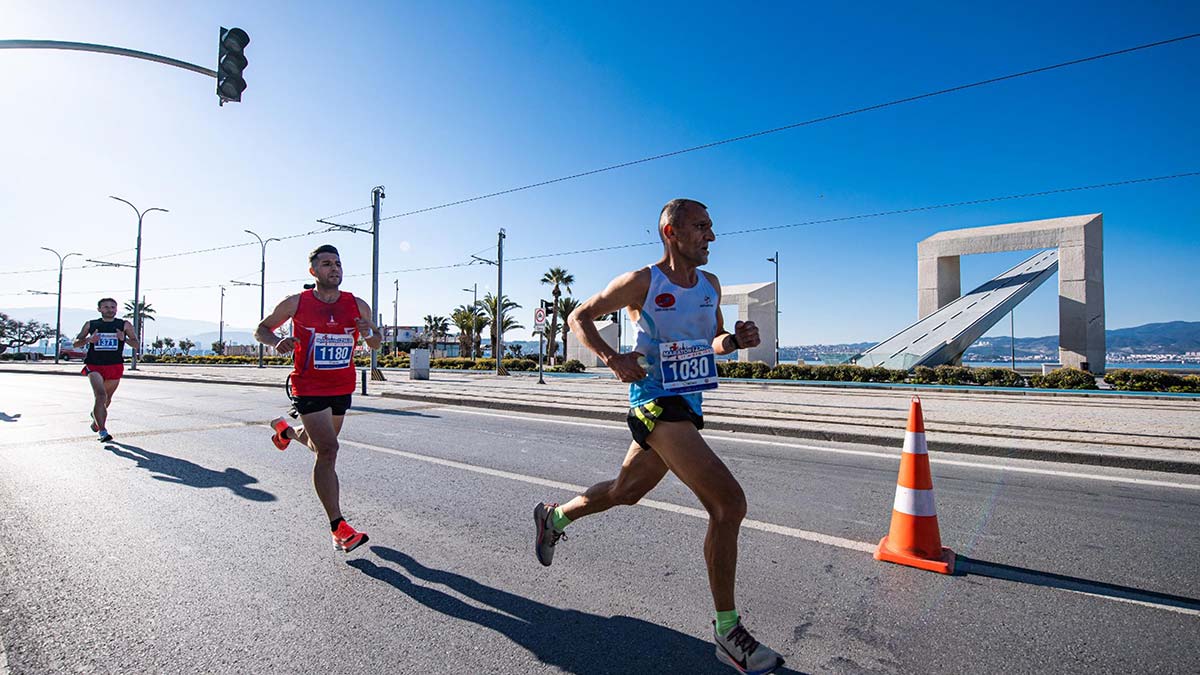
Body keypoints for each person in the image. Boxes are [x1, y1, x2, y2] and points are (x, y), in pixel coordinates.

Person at [533, 199, 785, 674]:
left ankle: (553, 518)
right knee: (728, 504)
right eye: (701, 227)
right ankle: (728, 632)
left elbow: (708, 342)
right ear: (671, 232)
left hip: (688, 406)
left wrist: (734, 341)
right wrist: (612, 359)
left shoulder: (710, 286)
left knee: (624, 492)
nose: (710, 236)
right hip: (653, 404)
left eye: (711, 227)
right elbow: (579, 317)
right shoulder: (643, 282)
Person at [255, 244, 382, 553]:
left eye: (337, 263)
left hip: (342, 386)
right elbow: (261, 329)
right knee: (328, 450)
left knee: (317, 445)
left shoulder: (357, 304)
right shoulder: (296, 302)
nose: (334, 268)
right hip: (308, 387)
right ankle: (339, 527)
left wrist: (368, 334)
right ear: (313, 271)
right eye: (326, 263)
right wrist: (276, 341)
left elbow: (377, 342)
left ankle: (285, 431)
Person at [73, 297, 138, 443]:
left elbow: (136, 345)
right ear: (99, 309)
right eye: (106, 307)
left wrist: (124, 339)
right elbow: (76, 344)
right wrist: (89, 340)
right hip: (94, 365)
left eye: (113, 307)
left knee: (107, 400)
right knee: (100, 396)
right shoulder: (91, 324)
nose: (110, 310)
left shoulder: (124, 324)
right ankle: (103, 431)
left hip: (114, 365)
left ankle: (96, 419)